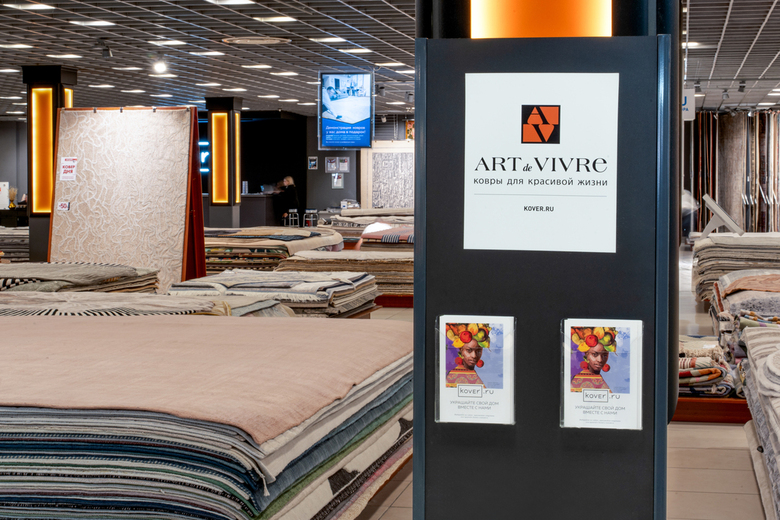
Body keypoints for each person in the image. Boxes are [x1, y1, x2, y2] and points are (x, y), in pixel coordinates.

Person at [570, 326, 617, 392]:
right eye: (595, 354)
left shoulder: (598, 377)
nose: (600, 360)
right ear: (586, 354)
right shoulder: (580, 379)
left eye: (604, 355)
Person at [445, 323, 491, 388]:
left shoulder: (474, 373)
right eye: (469, 350)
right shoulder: (454, 375)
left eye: (478, 351)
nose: (474, 355)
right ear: (461, 350)